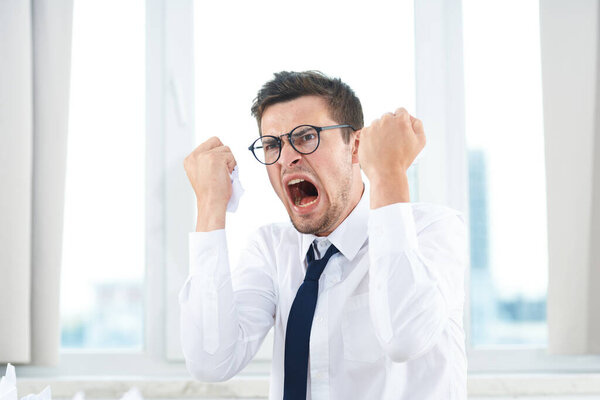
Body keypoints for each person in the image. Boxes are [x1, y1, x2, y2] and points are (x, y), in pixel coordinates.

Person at [180, 71, 468, 399]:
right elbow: (210, 361)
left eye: (306, 137)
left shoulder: (431, 231)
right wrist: (209, 206)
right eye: (273, 144)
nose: (287, 158)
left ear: (355, 146)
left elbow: (404, 337)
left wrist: (388, 171)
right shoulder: (271, 250)